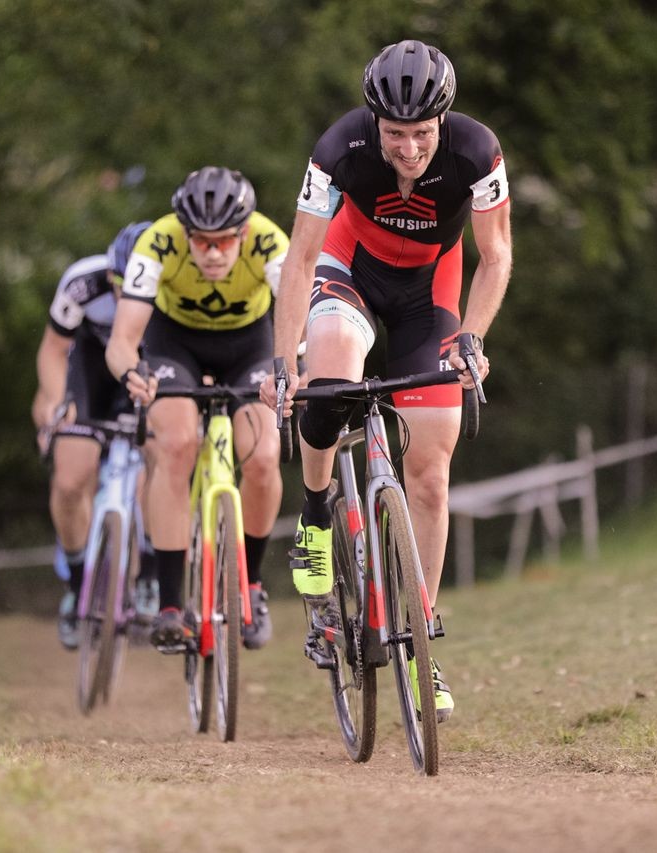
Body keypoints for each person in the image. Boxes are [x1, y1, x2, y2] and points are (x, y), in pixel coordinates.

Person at [262, 40, 513, 722]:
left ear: (444, 122)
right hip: (349, 268)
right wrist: (286, 360)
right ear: (375, 123)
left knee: (431, 469)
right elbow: (301, 256)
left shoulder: (477, 153)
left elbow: (495, 255)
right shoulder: (340, 147)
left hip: (430, 291)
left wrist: (473, 335)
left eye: (421, 134)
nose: (407, 149)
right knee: (333, 367)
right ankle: (315, 516)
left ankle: (417, 646)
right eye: (395, 134)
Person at [106, 166, 289, 651]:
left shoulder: (270, 242)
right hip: (174, 345)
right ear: (184, 233)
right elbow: (123, 340)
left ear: (244, 233)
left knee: (264, 454)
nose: (211, 253)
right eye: (200, 241)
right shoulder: (158, 244)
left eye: (224, 242)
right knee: (177, 444)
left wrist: (293, 368)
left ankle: (251, 584)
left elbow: (300, 315)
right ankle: (169, 603)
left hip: (251, 343)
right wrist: (132, 374)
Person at [31, 221, 157, 650]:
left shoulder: (179, 287)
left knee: (165, 456)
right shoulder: (81, 283)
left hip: (150, 375)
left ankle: (155, 574)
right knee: (69, 479)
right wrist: (54, 402)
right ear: (109, 275)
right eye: (122, 286)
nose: (131, 297)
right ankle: (76, 582)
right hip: (90, 376)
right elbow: (52, 348)